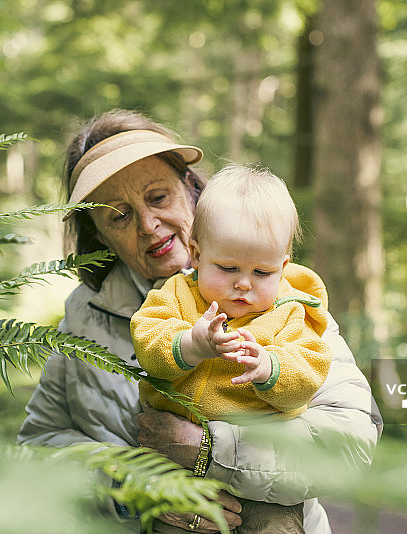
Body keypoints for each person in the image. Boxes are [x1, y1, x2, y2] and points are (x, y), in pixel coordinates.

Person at [16, 109, 383, 534]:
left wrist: (212, 451)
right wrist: (125, 486)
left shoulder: (280, 295)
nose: (150, 226)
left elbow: (352, 446)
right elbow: (38, 445)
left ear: (190, 189)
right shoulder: (85, 316)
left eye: (158, 198)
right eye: (120, 215)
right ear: (98, 234)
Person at [131, 163, 332, 533]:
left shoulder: (290, 313)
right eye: (227, 268)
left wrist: (271, 369)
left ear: (283, 267)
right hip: (178, 476)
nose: (243, 285)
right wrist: (191, 344)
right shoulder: (173, 296)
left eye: (261, 273)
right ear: (195, 254)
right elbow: (148, 339)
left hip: (266, 488)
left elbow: (309, 372)